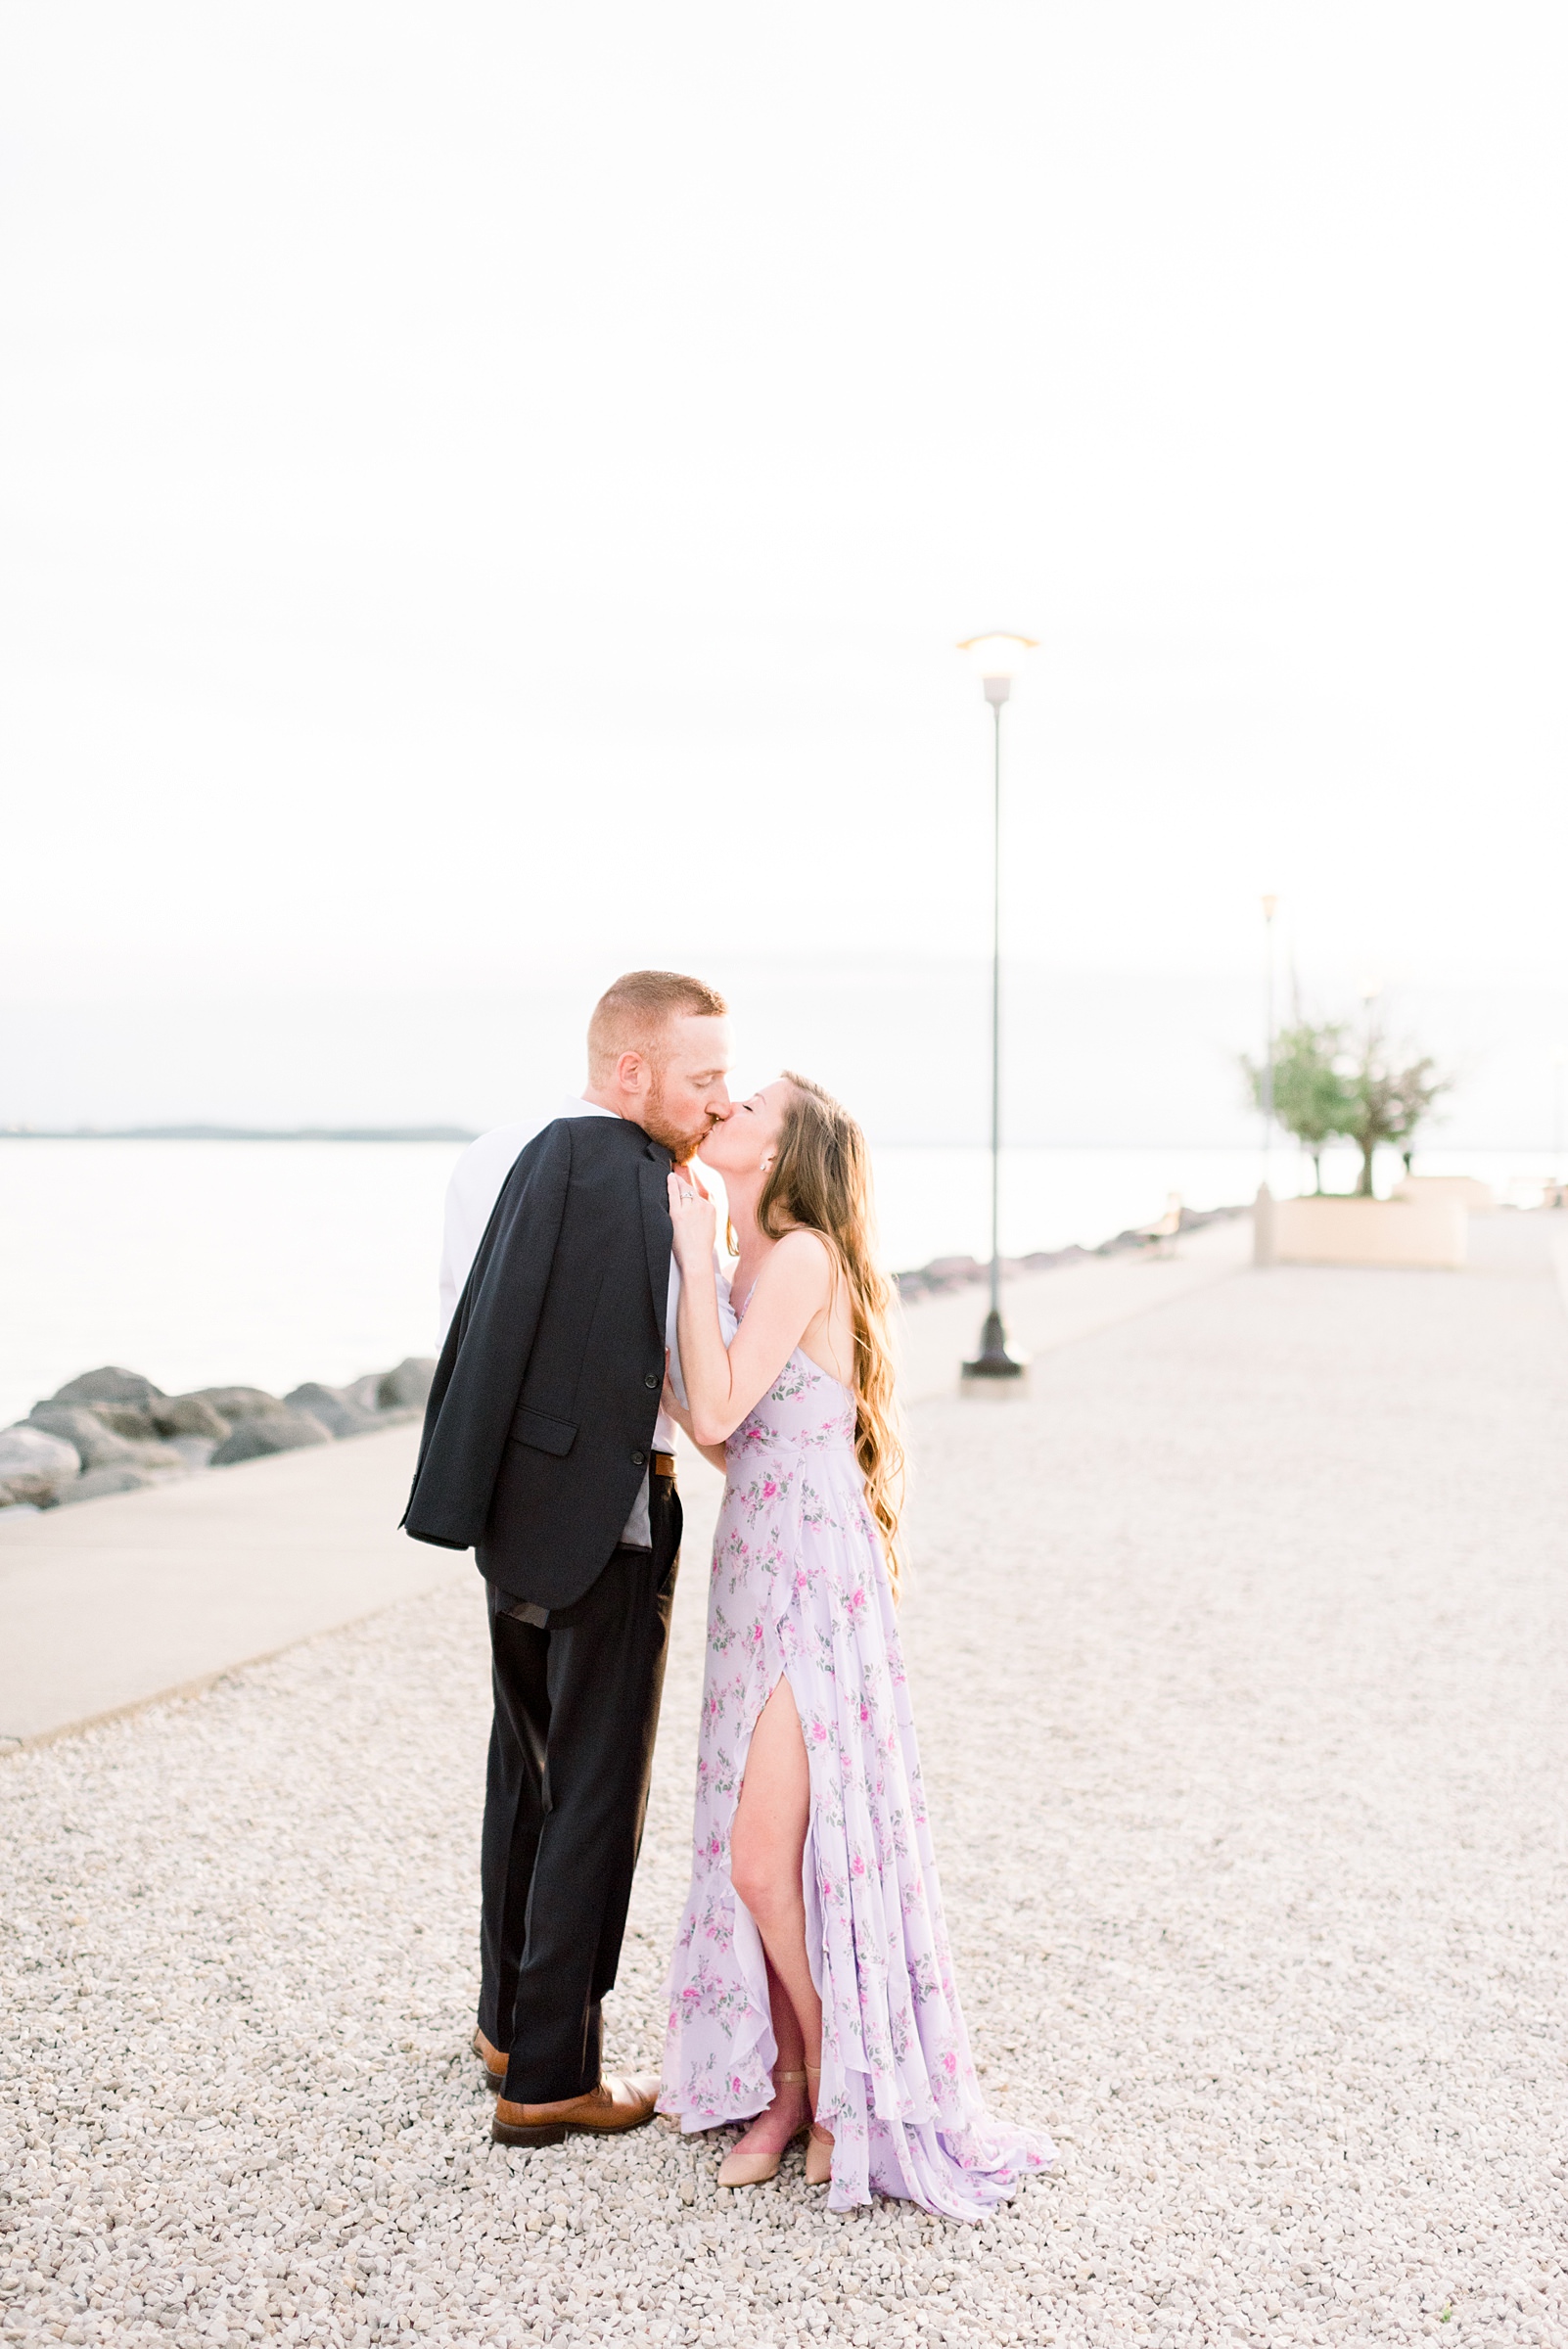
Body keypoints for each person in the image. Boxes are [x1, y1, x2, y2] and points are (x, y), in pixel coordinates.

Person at [657, 1074, 1052, 2217]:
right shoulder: (753, 1260)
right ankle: (786, 2092)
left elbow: (722, 1410)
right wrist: (697, 1273)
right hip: (760, 1557)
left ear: (785, 1154)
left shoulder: (798, 1258)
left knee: (759, 1857)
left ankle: (836, 2090)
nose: (725, 1109)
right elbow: (731, 1436)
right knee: (774, 1852)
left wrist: (688, 1254)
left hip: (811, 1577)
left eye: (750, 1109)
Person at [402, 971, 732, 2147]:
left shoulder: (497, 1154)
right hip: (615, 1514)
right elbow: (686, 1385)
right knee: (597, 1788)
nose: (717, 1102)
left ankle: (505, 2018)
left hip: (513, 1501)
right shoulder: (650, 1187)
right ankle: (551, 2074)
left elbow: (465, 1324)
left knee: (523, 1763)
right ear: (632, 1070)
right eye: (702, 1078)